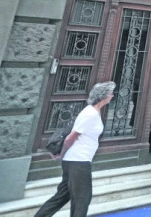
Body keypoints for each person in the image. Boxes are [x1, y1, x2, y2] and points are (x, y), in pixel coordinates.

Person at [34, 82, 115, 217]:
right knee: (82, 198)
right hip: (78, 161)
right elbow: (70, 138)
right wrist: (61, 154)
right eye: (110, 93)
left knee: (62, 196)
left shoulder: (94, 111)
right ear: (103, 96)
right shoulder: (90, 114)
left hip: (76, 160)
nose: (112, 95)